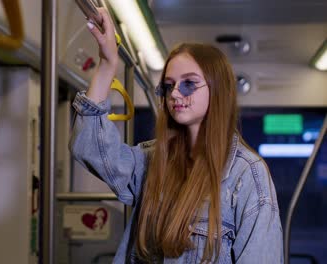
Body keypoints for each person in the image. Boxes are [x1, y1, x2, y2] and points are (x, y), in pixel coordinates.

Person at [69, 8, 283, 264]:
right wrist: (107, 65)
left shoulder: (247, 175)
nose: (175, 94)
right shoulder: (153, 159)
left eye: (189, 83)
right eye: (169, 86)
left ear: (217, 90)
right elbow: (88, 147)